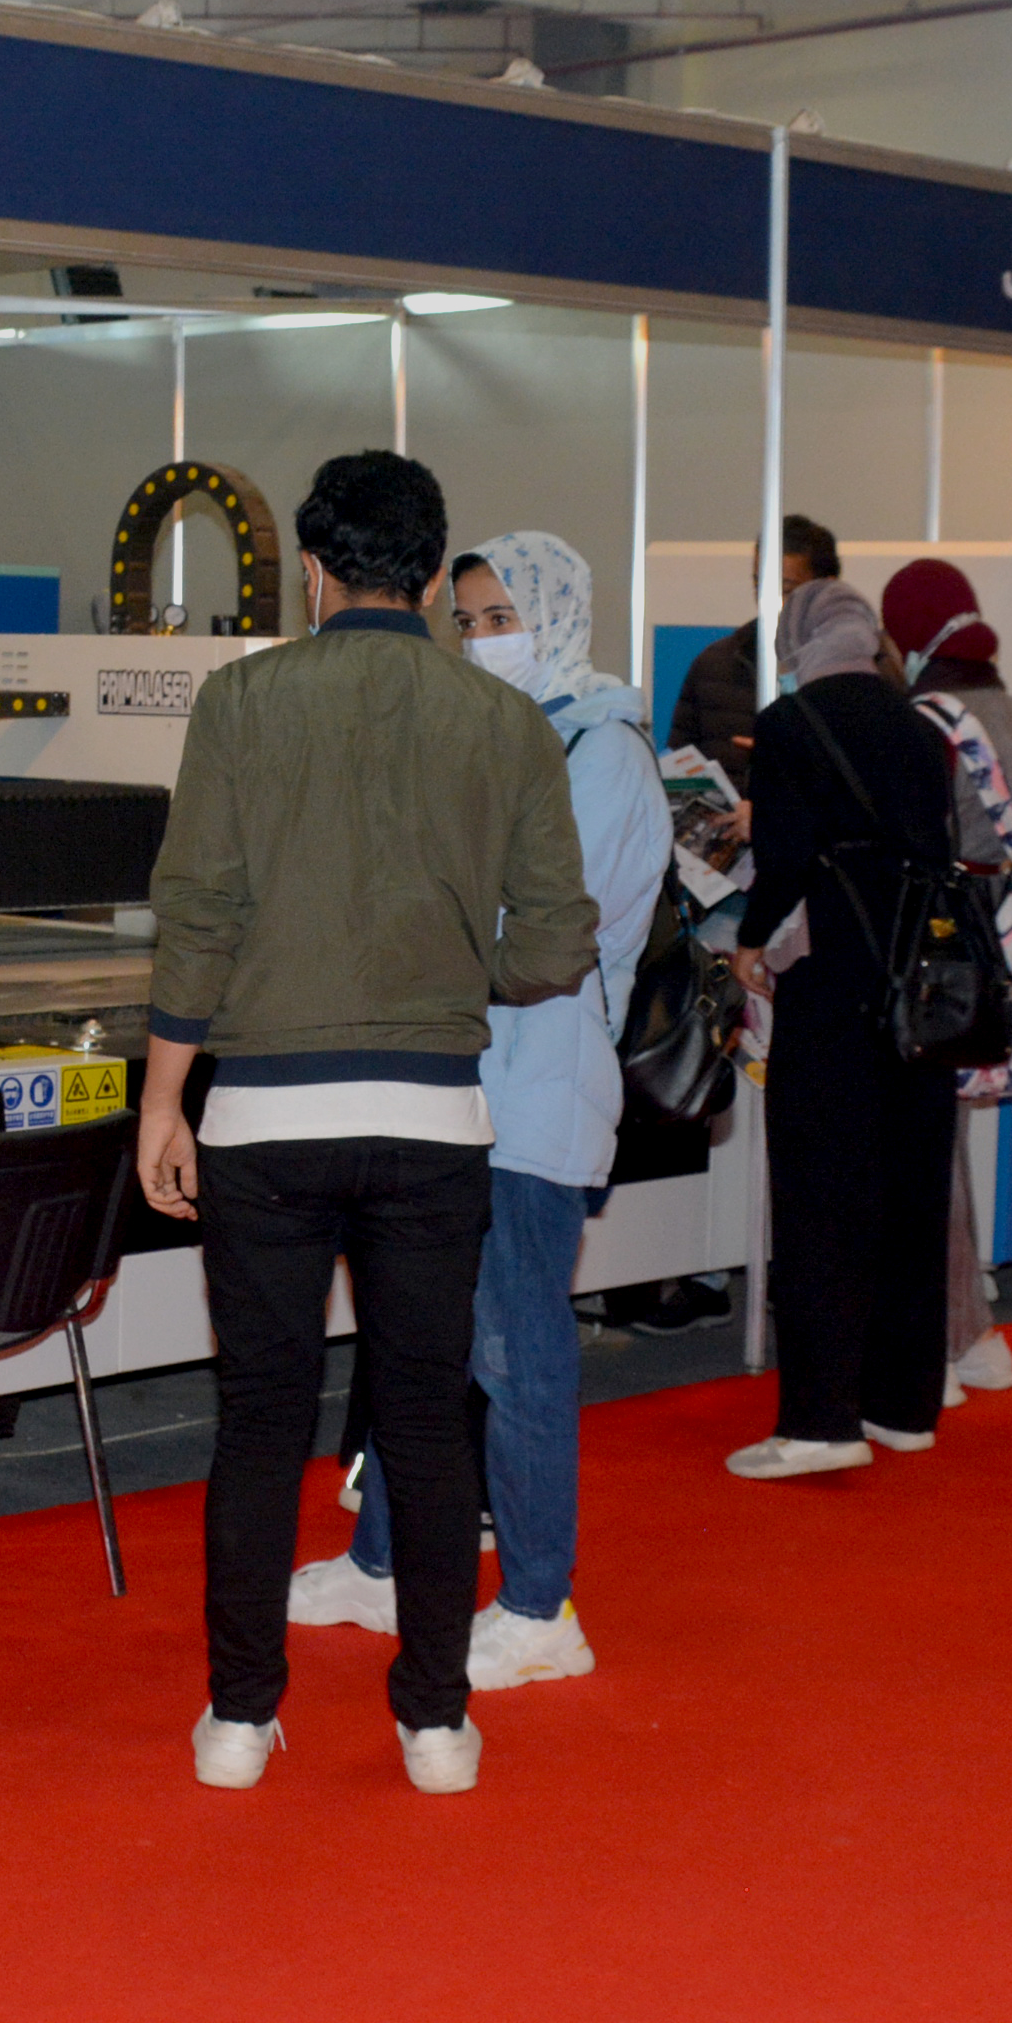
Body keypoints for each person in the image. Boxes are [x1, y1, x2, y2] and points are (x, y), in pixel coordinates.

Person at [136, 451, 596, 1797]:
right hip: (433, 1118)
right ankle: (436, 1725)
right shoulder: (506, 724)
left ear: (316, 571)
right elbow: (562, 941)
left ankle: (237, 1720)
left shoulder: (241, 701)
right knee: (424, 1419)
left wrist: (164, 1098)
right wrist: (464, 971)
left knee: (261, 1422)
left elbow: (198, 920)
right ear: (429, 572)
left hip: (264, 1121)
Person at [292, 529, 664, 1693]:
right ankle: (385, 1556)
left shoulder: (601, 753)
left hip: (534, 1093)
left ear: (556, 617)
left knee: (516, 1353)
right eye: (468, 620)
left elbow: (543, 929)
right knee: (421, 1341)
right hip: (450, 1087)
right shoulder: (495, 739)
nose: (482, 639)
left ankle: (540, 1604)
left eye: (502, 616)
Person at [725, 579, 963, 1477]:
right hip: (922, 986)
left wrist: (752, 943)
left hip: (834, 985)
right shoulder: (918, 722)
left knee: (822, 1195)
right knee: (910, 1190)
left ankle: (821, 1421)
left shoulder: (794, 724)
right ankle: (902, 1406)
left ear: (798, 637)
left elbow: (784, 860)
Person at [883, 555, 1012, 1398]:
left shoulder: (928, 720)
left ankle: (942, 1341)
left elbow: (913, 839)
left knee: (921, 1153)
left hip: (928, 953)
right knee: (948, 1147)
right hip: (994, 948)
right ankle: (969, 1332)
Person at [666, 512, 839, 794]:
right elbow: (679, 767)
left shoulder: (859, 674)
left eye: (785, 589)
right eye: (759, 585)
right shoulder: (714, 665)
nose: (768, 601)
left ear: (827, 588)